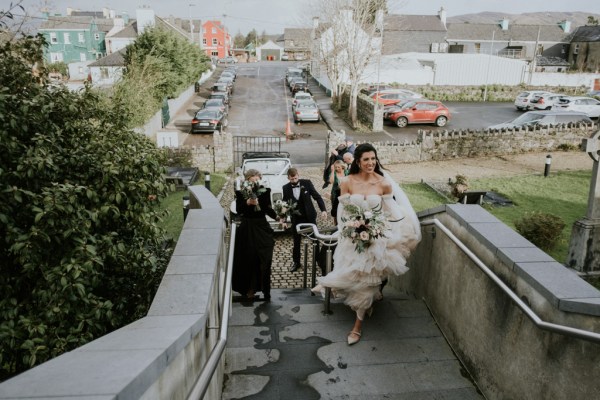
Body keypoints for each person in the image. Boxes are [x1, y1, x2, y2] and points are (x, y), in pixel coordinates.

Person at [312, 143, 421, 345]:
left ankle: (357, 327)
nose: (371, 163)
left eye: (373, 158)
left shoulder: (383, 183)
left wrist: (393, 227)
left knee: (367, 282)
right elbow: (342, 213)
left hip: (376, 238)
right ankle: (348, 291)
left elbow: (392, 211)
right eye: (366, 159)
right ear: (358, 162)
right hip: (352, 238)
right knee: (353, 275)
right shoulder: (347, 181)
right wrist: (350, 229)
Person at [232, 169, 277, 301]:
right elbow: (239, 210)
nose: (255, 180)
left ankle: (266, 290)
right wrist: (248, 203)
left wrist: (279, 217)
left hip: (262, 227)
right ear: (247, 179)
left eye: (257, 178)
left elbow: (268, 209)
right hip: (247, 227)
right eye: (252, 178)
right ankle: (249, 289)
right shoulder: (241, 192)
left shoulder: (265, 191)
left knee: (265, 259)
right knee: (249, 259)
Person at [282, 167, 328, 272]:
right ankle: (296, 262)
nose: (294, 181)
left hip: (309, 216)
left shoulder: (307, 183)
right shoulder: (285, 188)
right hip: (296, 218)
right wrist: (284, 220)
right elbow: (284, 205)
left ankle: (319, 261)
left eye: (295, 178)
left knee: (315, 239)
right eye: (292, 179)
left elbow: (317, 197)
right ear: (288, 178)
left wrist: (323, 210)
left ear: (298, 175)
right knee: (296, 241)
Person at [329, 159, 348, 225]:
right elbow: (331, 181)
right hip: (335, 193)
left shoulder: (346, 172)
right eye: (336, 167)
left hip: (345, 193)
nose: (337, 168)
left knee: (345, 209)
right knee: (335, 209)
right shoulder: (334, 173)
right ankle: (336, 224)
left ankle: (344, 223)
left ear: (342, 166)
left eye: (338, 167)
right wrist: (332, 171)